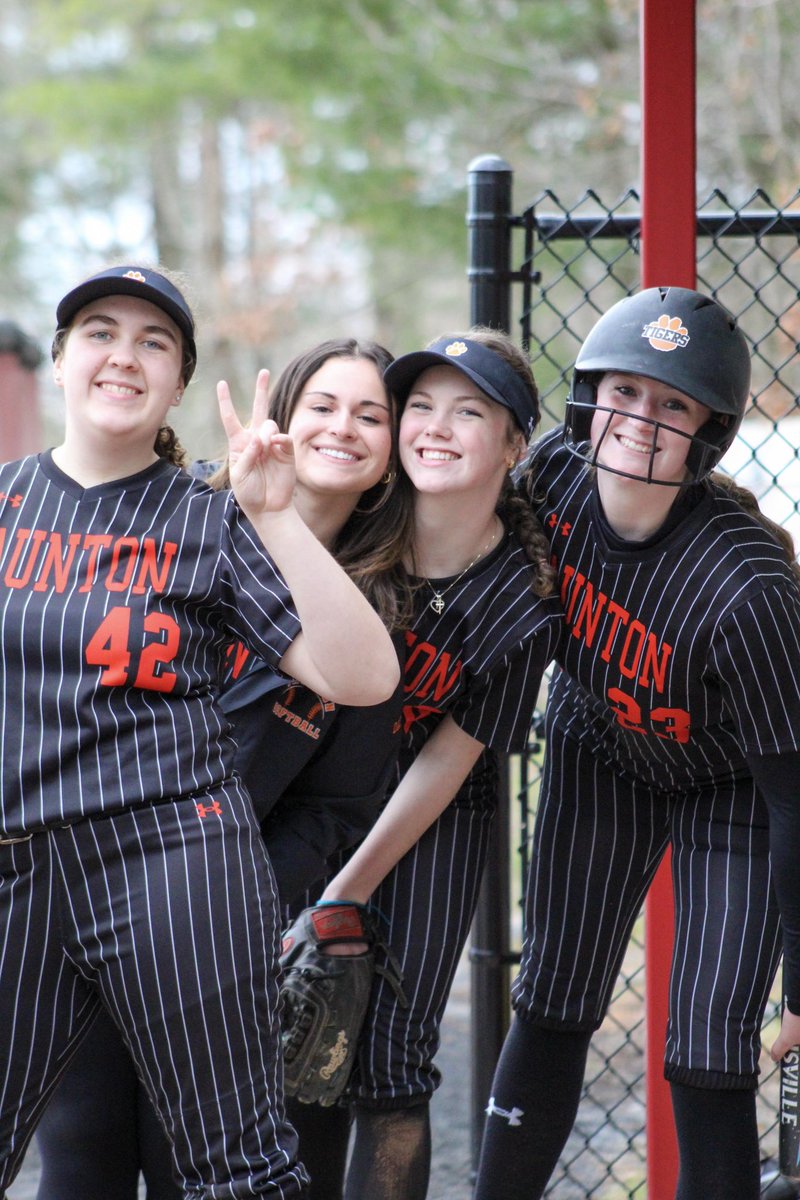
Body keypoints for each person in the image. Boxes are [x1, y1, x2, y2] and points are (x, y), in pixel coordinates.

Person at [0, 265, 400, 1200]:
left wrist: (274, 517)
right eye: (100, 332)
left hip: (169, 861)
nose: (123, 356)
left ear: (178, 381)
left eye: (154, 342)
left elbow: (364, 676)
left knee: (235, 1166)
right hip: (19, 864)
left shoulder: (208, 516)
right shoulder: (7, 502)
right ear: (62, 361)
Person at [473, 286, 800, 1200]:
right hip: (600, 743)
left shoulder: (748, 586)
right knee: (551, 997)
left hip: (729, 785)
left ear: (710, 432)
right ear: (589, 397)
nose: (641, 419)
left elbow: (792, 797)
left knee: (708, 1050)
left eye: (673, 404)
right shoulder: (551, 480)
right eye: (625, 390)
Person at [295, 329, 563, 1200]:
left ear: (514, 444)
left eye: (469, 412)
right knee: (299, 1037)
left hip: (432, 816)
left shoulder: (523, 598)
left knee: (393, 1063)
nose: (434, 428)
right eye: (420, 406)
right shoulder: (363, 520)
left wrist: (345, 893)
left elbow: (445, 766)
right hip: (315, 796)